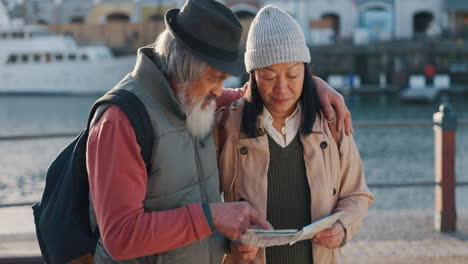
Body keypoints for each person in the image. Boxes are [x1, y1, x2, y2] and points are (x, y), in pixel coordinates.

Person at [86, 0, 353, 263]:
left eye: (223, 81)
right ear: (185, 66)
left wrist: (311, 86)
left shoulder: (195, 97)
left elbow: (254, 93)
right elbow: (120, 238)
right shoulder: (119, 121)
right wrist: (210, 217)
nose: (219, 91)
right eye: (215, 78)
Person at [215, 6, 374, 264]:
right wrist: (227, 243)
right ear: (253, 76)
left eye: (292, 74)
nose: (282, 88)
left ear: (307, 73)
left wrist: (343, 227)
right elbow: (203, 205)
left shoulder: (331, 121)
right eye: (268, 76)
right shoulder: (226, 125)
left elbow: (357, 194)